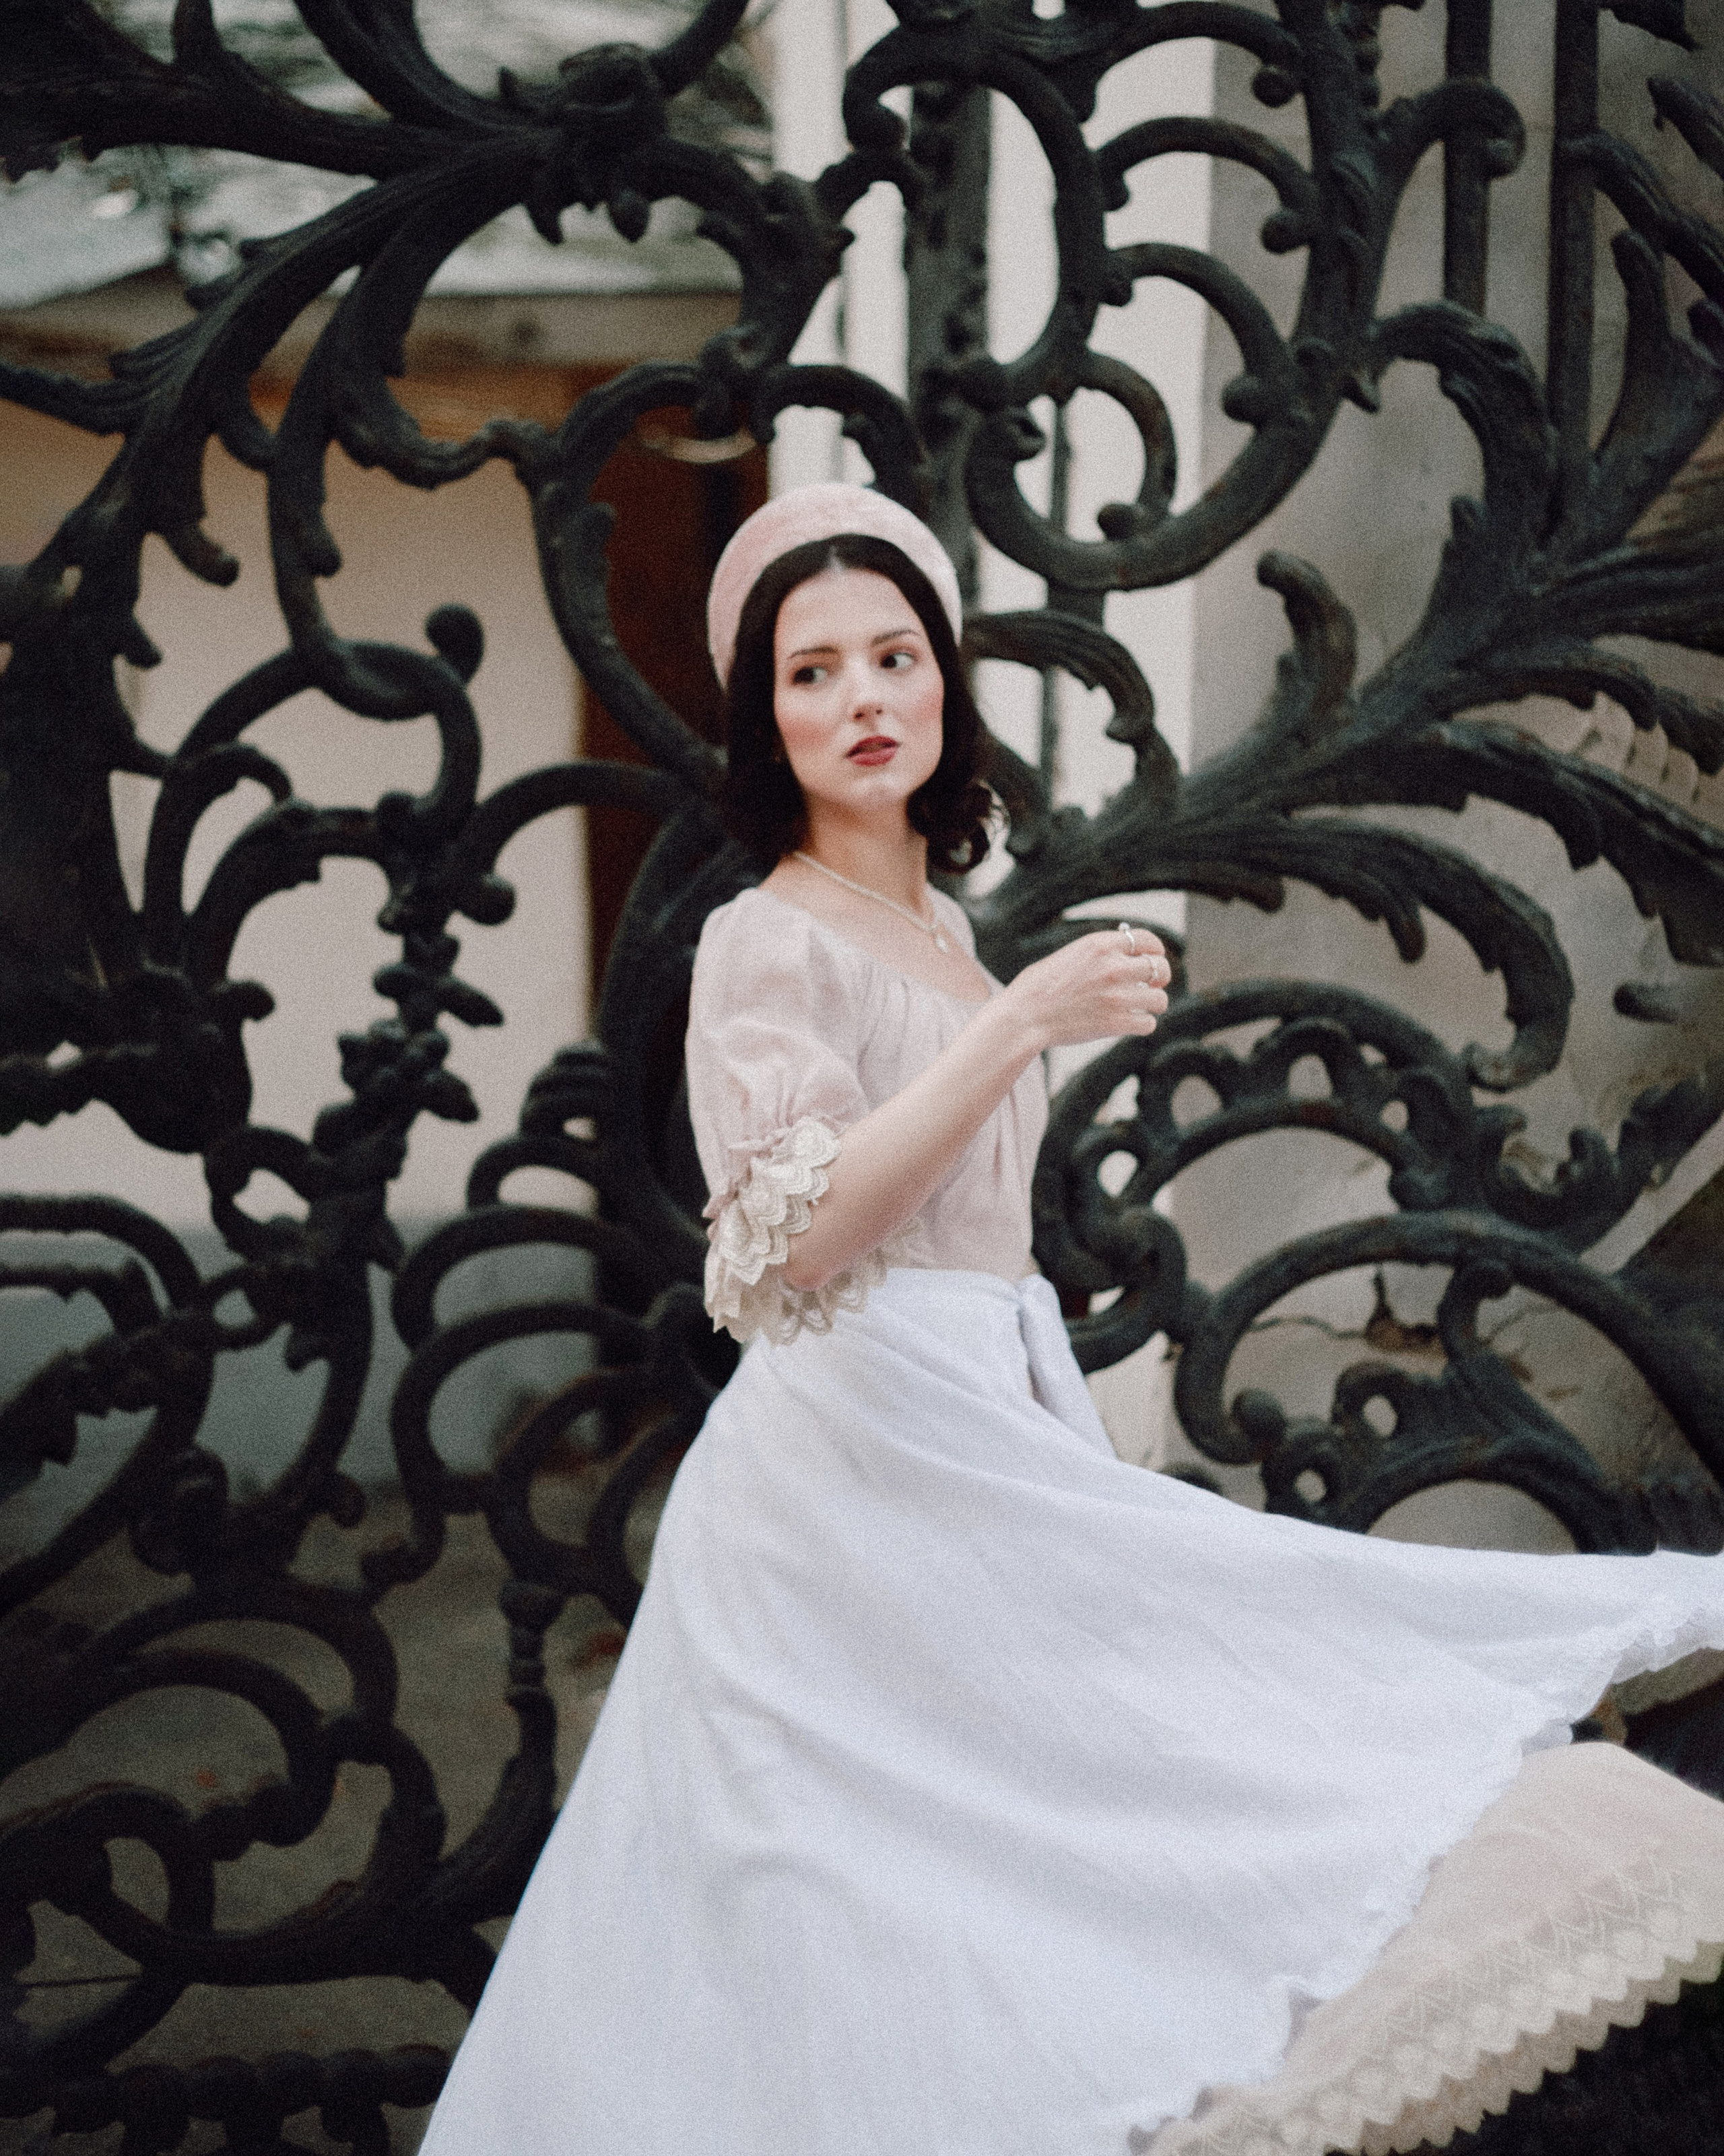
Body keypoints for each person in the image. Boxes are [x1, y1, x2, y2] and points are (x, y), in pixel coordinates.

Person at [420, 484, 1724, 2156]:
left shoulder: (932, 923)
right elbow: (785, 1235)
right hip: (841, 1468)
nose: (863, 699)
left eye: (894, 655)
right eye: (810, 671)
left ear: (944, 680)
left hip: (964, 1420)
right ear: (761, 714)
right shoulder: (762, 938)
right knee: (822, 1893)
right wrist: (1014, 1023)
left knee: (1038, 1839)